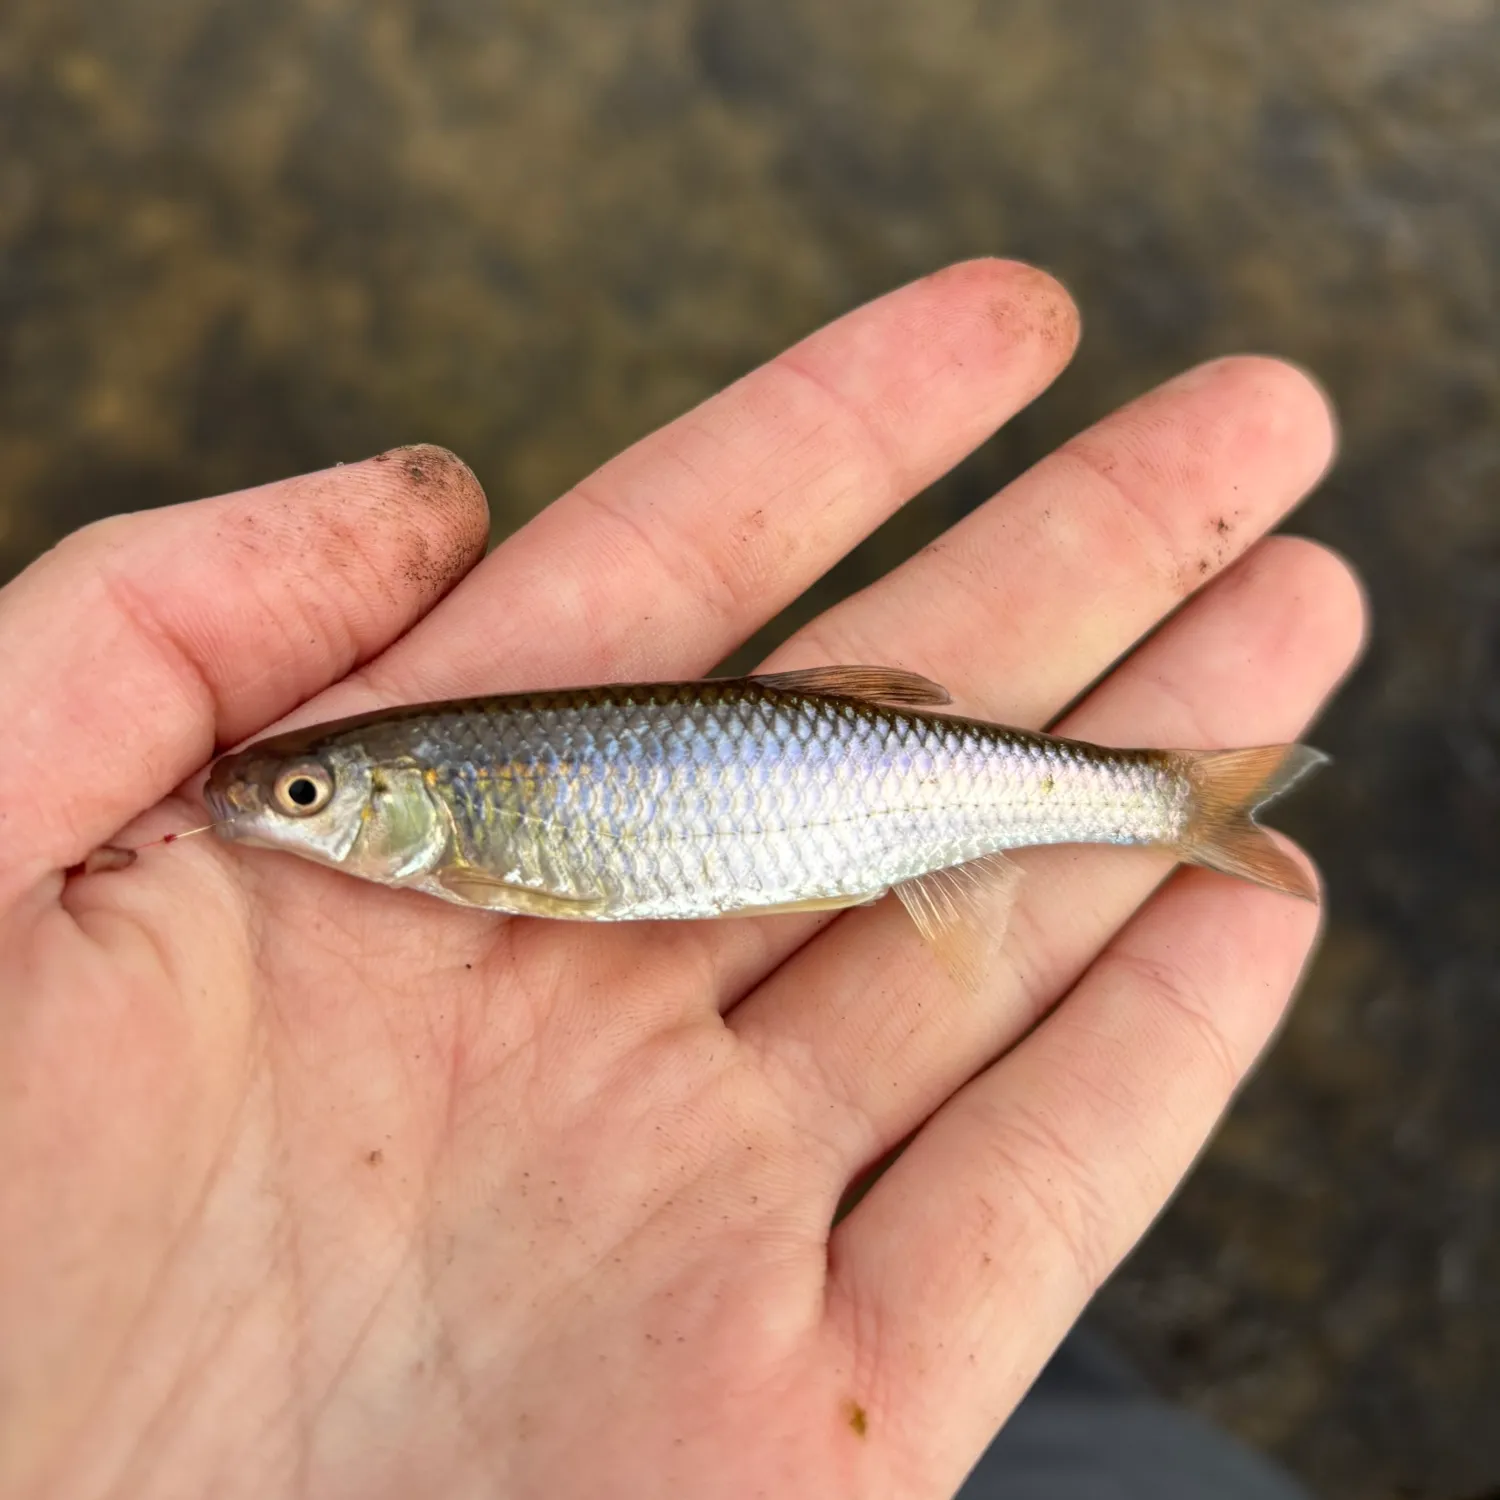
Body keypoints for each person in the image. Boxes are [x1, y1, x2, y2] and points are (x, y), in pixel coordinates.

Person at [0, 259, 1360, 1499]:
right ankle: (1173, 805)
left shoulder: (468, 837)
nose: (289, 814)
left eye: (307, 800)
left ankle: (1174, 800)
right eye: (304, 797)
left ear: (418, 802)